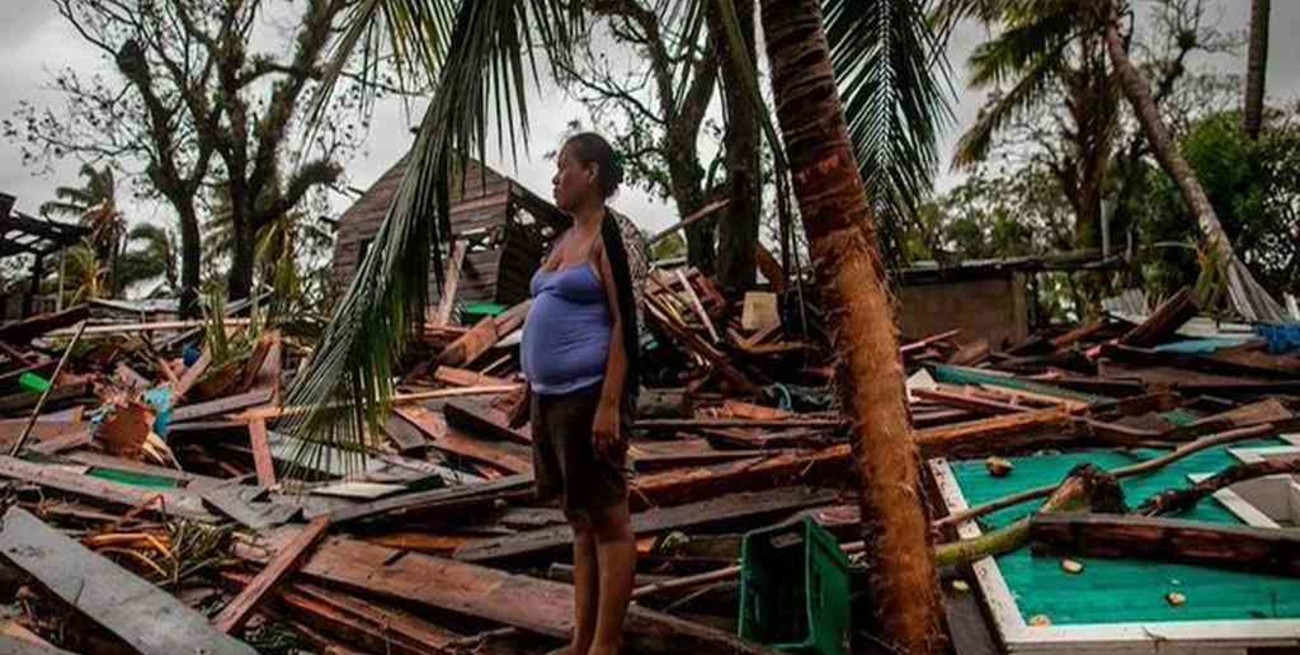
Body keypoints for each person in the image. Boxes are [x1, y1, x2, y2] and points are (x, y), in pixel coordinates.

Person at [519, 132, 643, 655]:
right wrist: (529, 389)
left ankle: (605, 645)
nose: (555, 178)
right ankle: (580, 640)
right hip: (550, 399)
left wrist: (610, 404)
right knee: (580, 521)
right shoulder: (563, 239)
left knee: (609, 521)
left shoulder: (611, 234)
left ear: (590, 173)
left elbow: (626, 324)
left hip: (590, 396)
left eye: (563, 166)